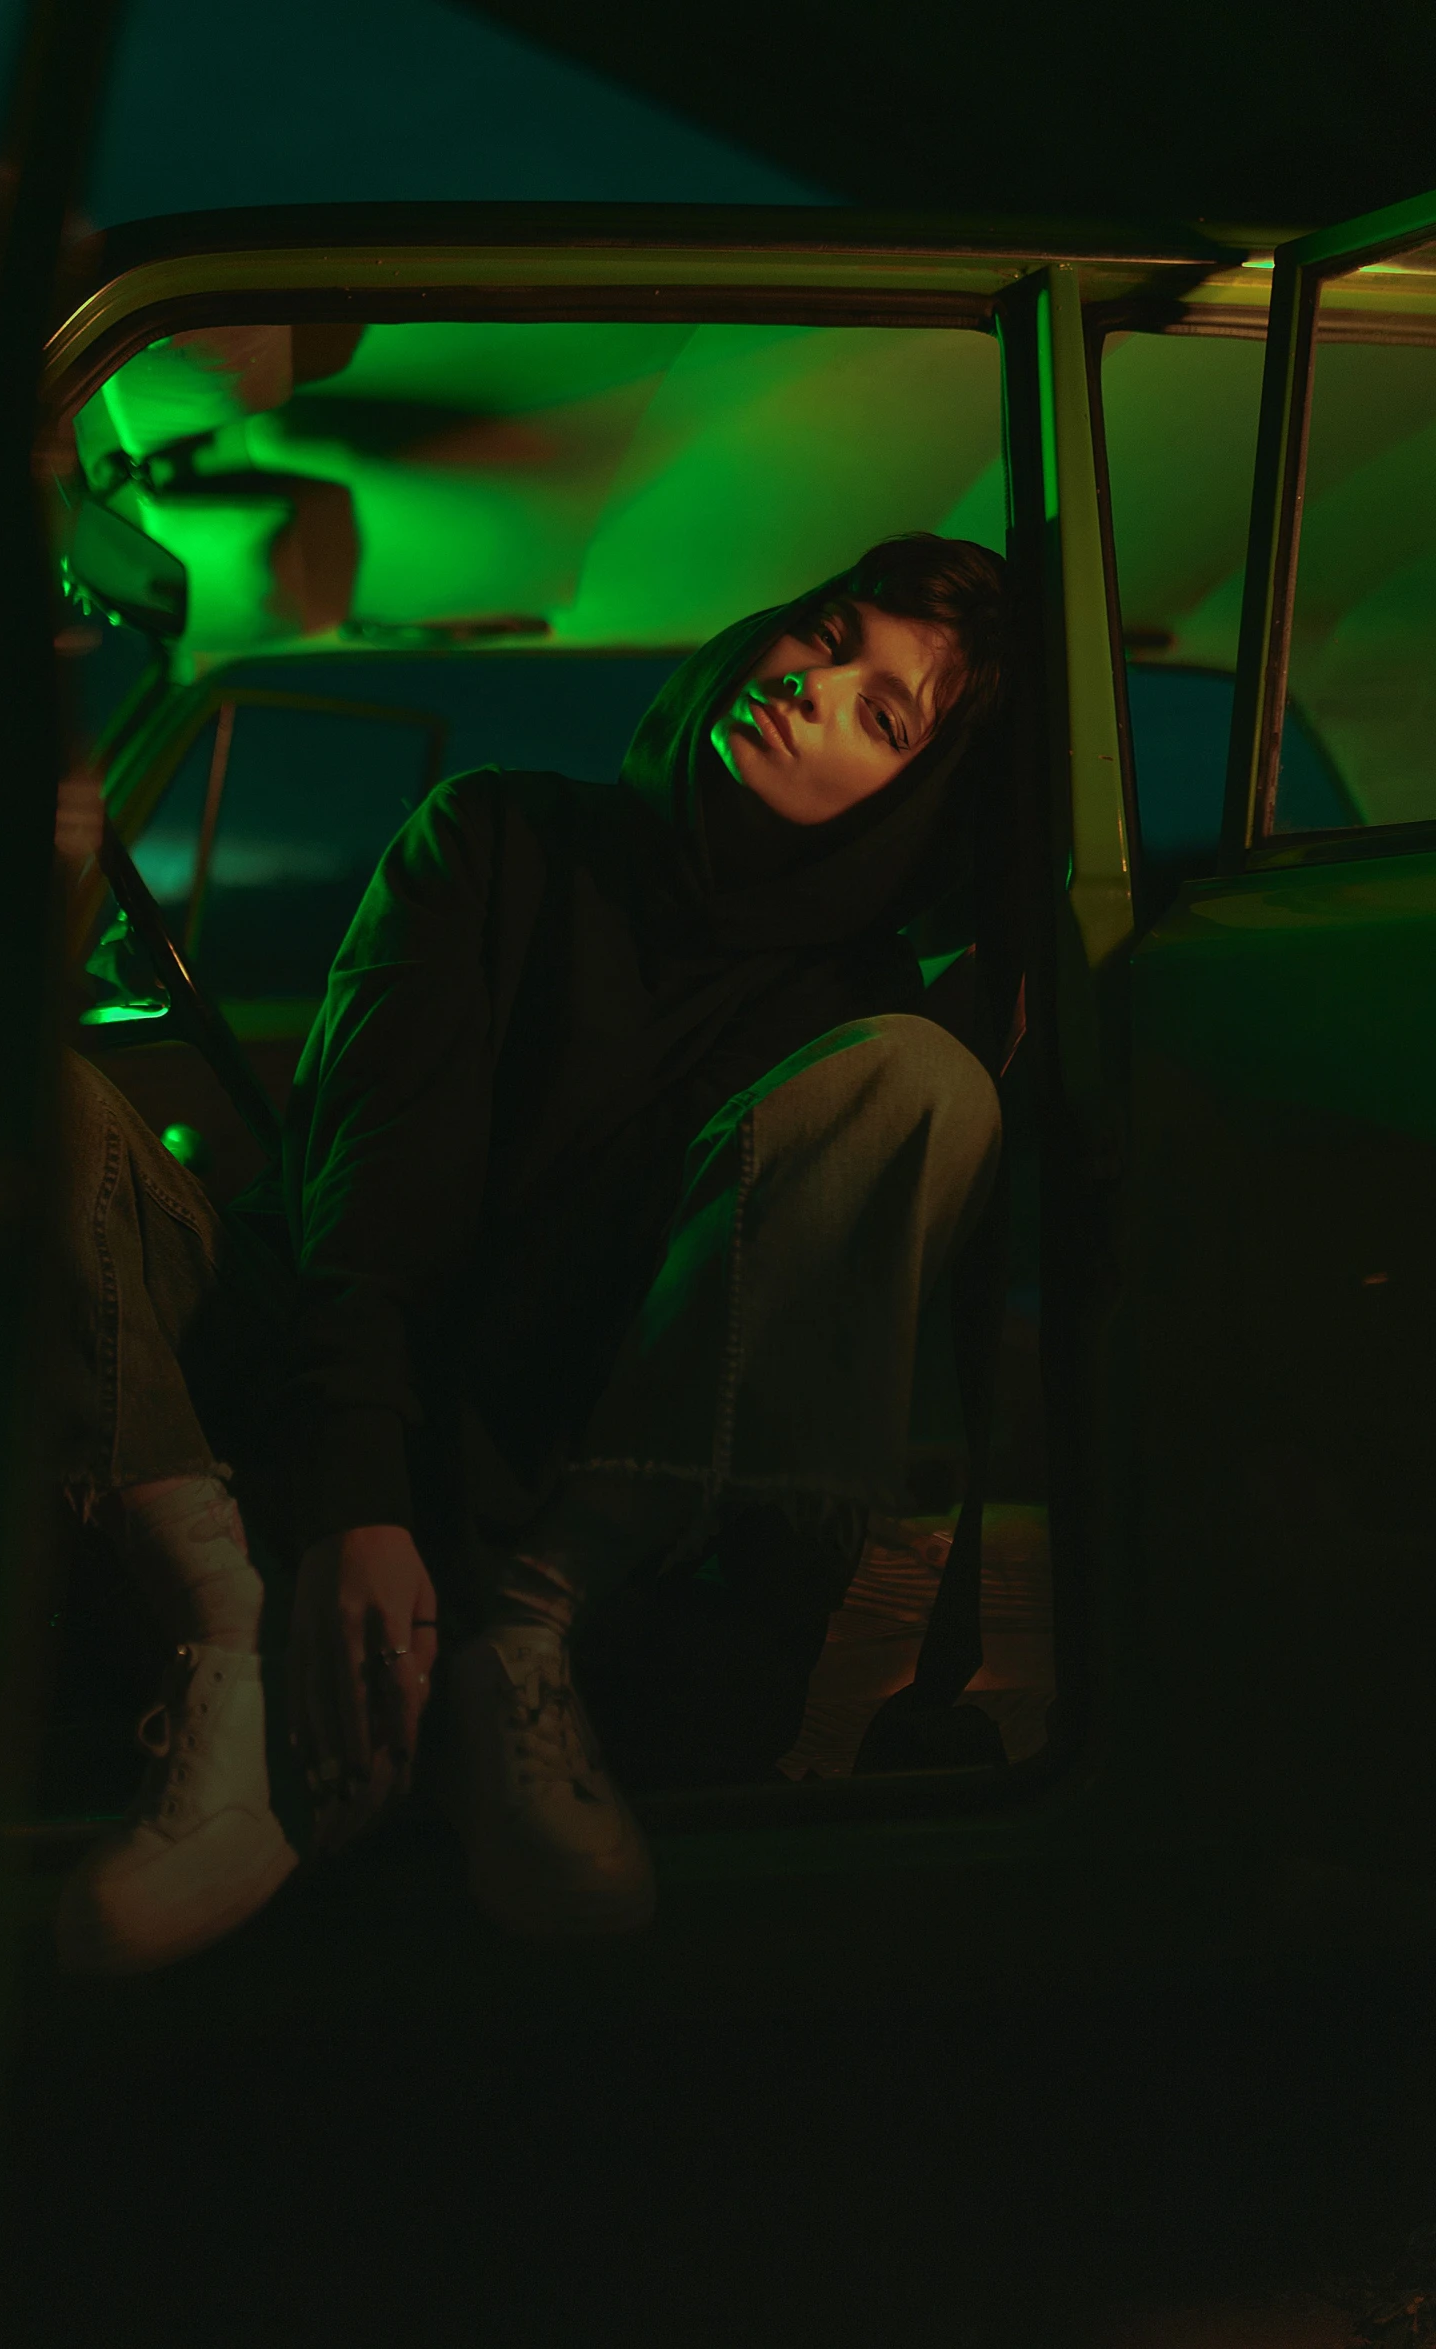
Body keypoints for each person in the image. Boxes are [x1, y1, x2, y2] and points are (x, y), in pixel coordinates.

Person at [52, 529, 1009, 1972]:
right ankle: (230, 1661)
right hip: (285, 1427)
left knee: (927, 1083)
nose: (811, 687)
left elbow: (686, 1360)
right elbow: (370, 1227)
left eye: (882, 714)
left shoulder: (852, 1024)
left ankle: (525, 1656)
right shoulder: (493, 837)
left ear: (915, 807)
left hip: (572, 1524)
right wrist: (352, 1518)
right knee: (13, 1085)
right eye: (825, 634)